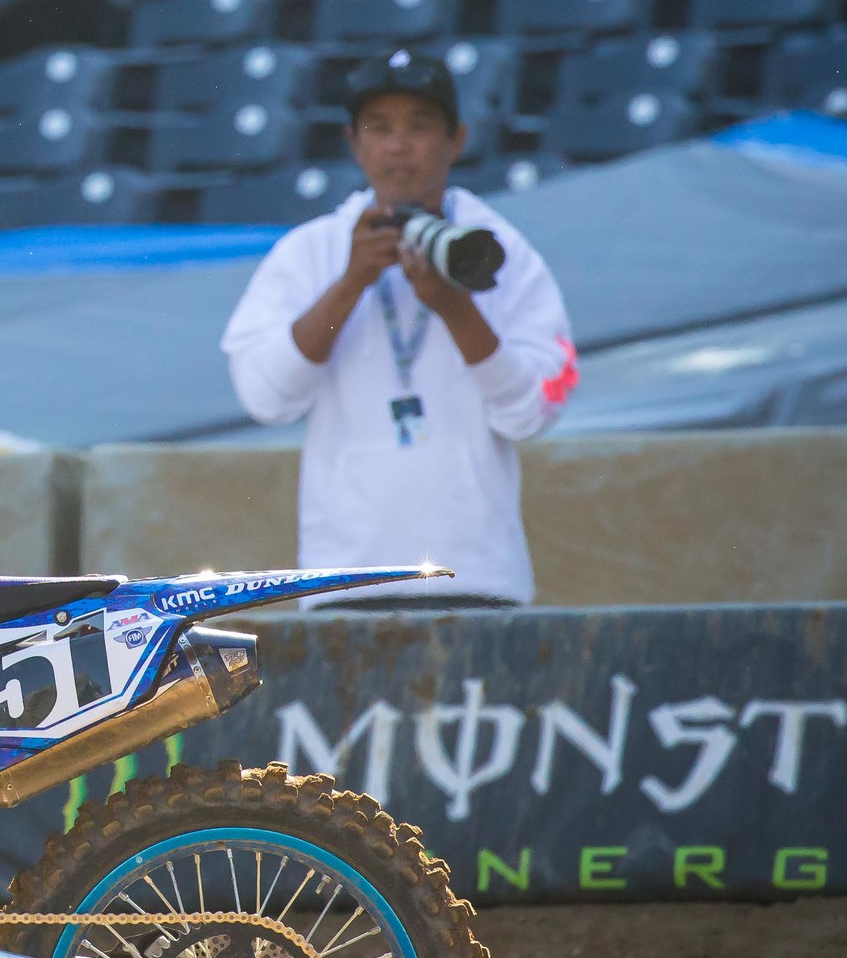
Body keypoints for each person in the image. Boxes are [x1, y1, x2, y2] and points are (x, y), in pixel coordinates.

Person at [220, 48, 578, 607]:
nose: (398, 145)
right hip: (344, 579)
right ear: (354, 143)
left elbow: (534, 411)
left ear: (456, 140)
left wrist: (458, 309)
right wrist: (351, 283)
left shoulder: (504, 251)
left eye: (420, 126)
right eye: (379, 127)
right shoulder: (310, 251)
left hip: (476, 576)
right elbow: (266, 399)